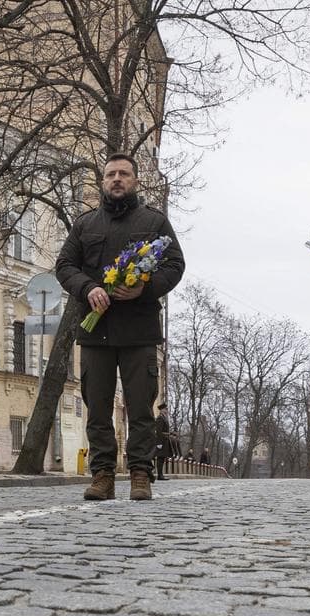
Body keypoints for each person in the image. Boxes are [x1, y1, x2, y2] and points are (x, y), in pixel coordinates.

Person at [55, 152, 185, 502]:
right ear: (102, 181)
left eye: (123, 174)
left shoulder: (154, 222)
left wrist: (147, 287)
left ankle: (140, 474)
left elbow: (175, 264)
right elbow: (65, 265)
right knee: (96, 407)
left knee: (140, 406)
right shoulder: (85, 225)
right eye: (110, 174)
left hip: (140, 330)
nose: (116, 179)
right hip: (96, 331)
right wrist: (88, 287)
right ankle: (102, 476)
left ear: (135, 181)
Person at [153, 402, 174, 482]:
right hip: (161, 441)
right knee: (160, 458)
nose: (166, 410)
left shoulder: (164, 418)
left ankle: (161, 474)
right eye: (165, 409)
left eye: (166, 409)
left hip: (164, 440)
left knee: (162, 458)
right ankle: (160, 475)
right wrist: (159, 443)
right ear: (161, 410)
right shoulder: (160, 418)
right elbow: (158, 431)